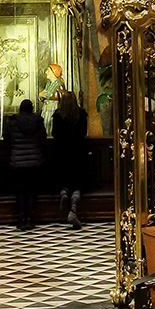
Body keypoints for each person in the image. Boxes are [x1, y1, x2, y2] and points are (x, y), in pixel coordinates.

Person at [4, 98, 47, 230]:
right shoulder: (38, 121)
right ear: (32, 108)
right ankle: (30, 218)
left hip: (18, 161)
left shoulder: (12, 123)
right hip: (34, 160)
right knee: (32, 190)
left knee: (21, 191)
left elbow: (7, 138)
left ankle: (21, 217)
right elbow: (43, 137)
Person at [51, 89, 90, 228]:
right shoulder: (81, 115)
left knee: (63, 179)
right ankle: (73, 209)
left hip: (62, 152)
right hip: (78, 152)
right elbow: (84, 132)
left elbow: (54, 133)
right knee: (77, 182)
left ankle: (63, 194)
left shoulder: (57, 116)